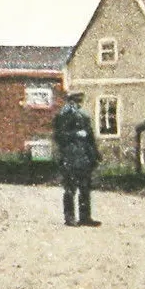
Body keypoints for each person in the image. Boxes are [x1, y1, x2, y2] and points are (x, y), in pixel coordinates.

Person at [52, 91, 101, 226]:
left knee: (85, 188)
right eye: (76, 101)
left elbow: (90, 138)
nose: (78, 104)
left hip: (84, 157)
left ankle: (85, 217)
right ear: (70, 101)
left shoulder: (84, 116)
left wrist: (95, 154)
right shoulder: (63, 116)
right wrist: (75, 134)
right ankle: (69, 217)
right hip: (70, 156)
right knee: (70, 188)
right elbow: (59, 136)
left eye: (80, 102)